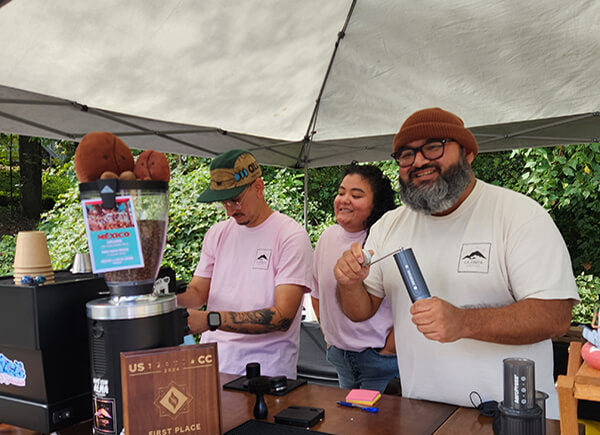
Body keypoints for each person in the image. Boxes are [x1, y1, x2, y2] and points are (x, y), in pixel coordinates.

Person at [334, 107, 579, 419]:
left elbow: (555, 317)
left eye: (434, 146)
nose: (419, 161)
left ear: (469, 153)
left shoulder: (518, 216)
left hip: (514, 423)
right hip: (420, 418)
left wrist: (464, 322)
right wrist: (349, 282)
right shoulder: (389, 226)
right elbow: (360, 310)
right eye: (406, 154)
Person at [177, 149, 313, 379]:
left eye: (236, 200)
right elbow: (198, 293)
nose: (230, 210)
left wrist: (211, 320)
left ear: (258, 187)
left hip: (266, 372)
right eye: (224, 202)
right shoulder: (217, 233)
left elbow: (282, 317)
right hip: (214, 365)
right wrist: (158, 295)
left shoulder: (290, 236)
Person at [311, 163, 399, 392]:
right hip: (340, 357)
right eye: (341, 193)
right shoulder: (327, 237)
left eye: (356, 195)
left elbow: (409, 301)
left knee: (379, 426)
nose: (344, 199)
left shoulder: (387, 241)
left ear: (376, 204)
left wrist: (390, 349)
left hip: (380, 360)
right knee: (348, 424)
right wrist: (329, 338)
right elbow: (316, 292)